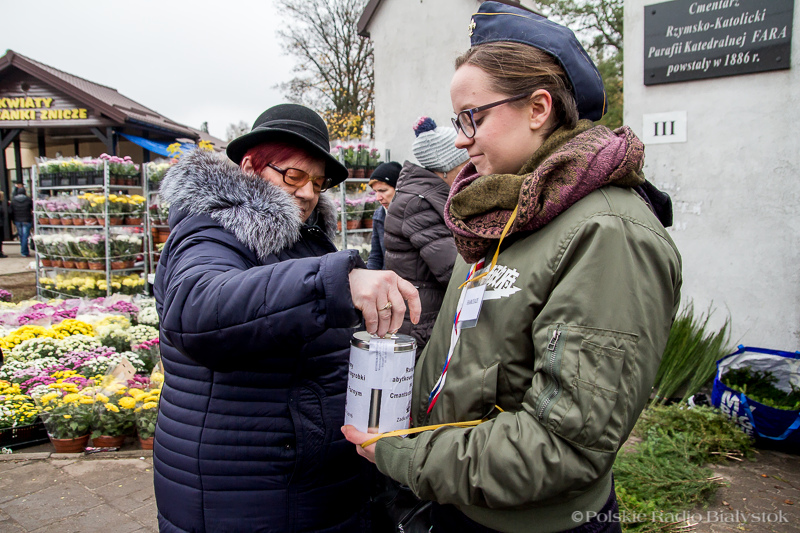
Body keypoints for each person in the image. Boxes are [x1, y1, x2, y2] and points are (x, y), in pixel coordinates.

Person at [344, 3, 682, 533]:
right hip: (462, 501)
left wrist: (407, 456)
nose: (461, 139)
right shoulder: (497, 213)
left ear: (538, 108)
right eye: (458, 120)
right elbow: (463, 356)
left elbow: (563, 446)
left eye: (472, 117)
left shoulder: (607, 232)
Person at [153, 103, 421, 533]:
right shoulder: (212, 231)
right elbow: (197, 309)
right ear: (249, 166)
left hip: (298, 484)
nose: (308, 192)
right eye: (293, 176)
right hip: (246, 494)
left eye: (317, 182)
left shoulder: (299, 238)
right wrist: (333, 283)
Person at [383, 116, 468, 353]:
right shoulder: (419, 203)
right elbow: (454, 271)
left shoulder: (428, 197)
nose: (470, 171)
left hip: (423, 318)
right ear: (445, 169)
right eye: (465, 165)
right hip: (422, 325)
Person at [366, 161, 402, 270]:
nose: (378, 198)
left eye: (383, 190)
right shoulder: (379, 215)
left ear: (398, 188)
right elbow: (375, 256)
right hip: (386, 278)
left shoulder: (414, 214)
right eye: (375, 191)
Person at [10, 185, 32, 257]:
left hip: (17, 220)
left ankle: (24, 251)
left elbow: (11, 211)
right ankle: (24, 252)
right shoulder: (28, 199)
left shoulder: (13, 200)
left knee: (21, 236)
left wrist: (13, 219)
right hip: (26, 219)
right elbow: (32, 208)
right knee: (25, 236)